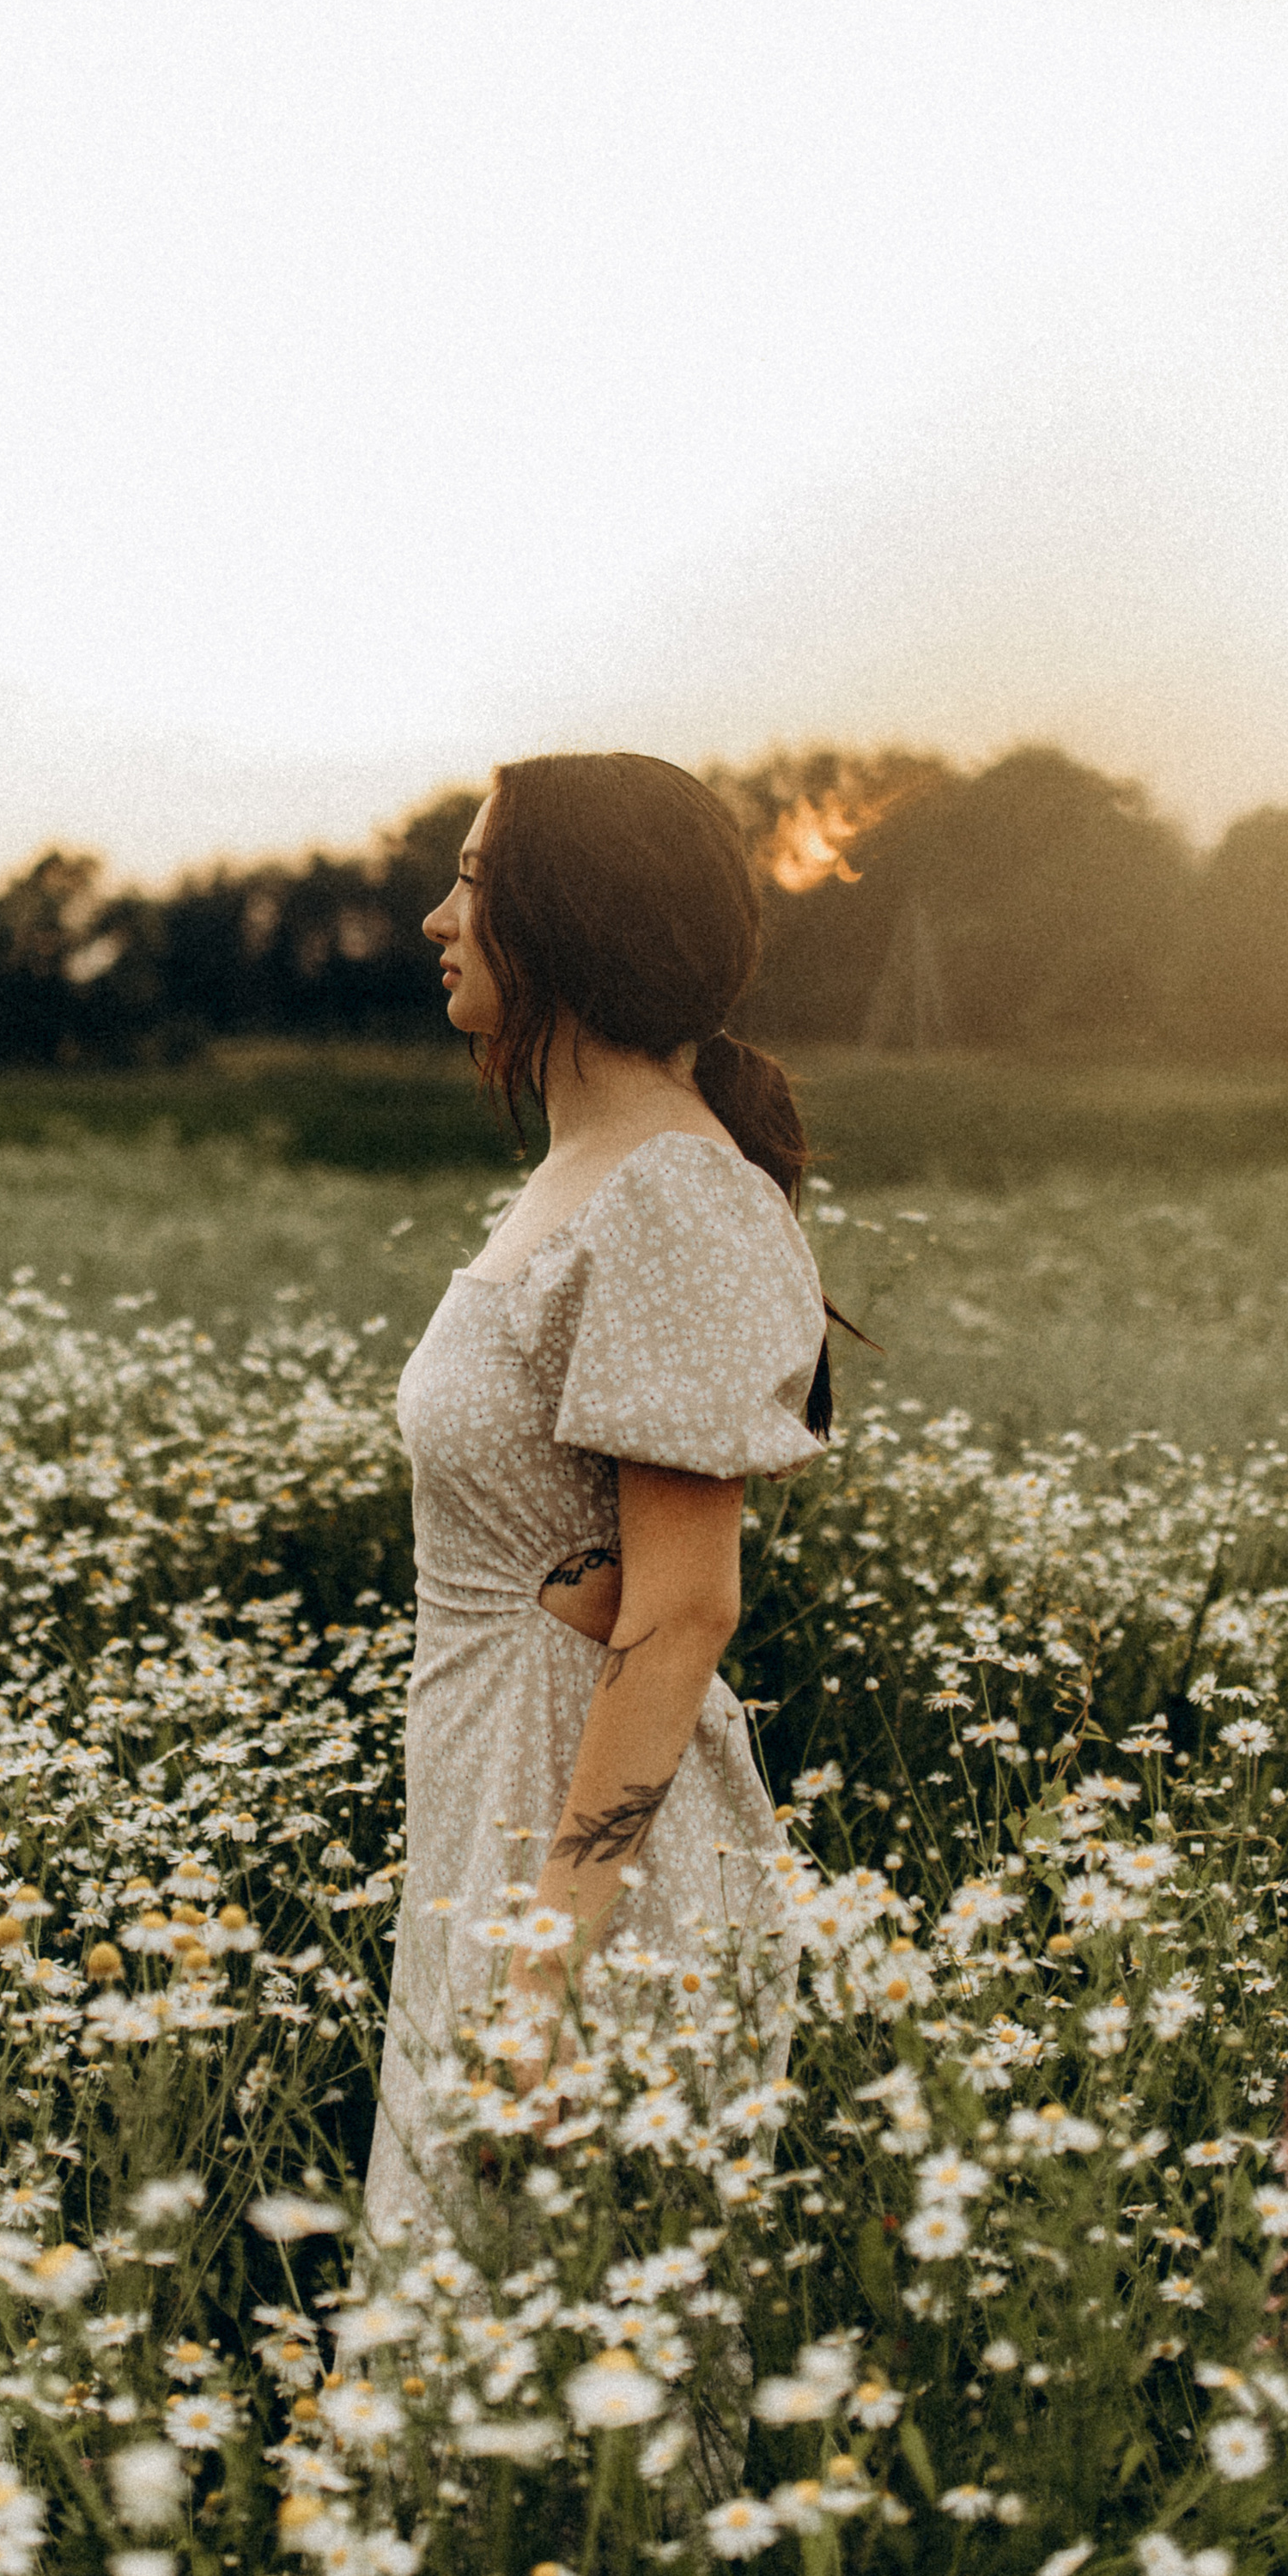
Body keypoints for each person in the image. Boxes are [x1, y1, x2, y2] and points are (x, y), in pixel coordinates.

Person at [361, 750, 846, 2262]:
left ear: (565, 915)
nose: (438, 916)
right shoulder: (583, 1168)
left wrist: (543, 1970)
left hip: (587, 1895)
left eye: (474, 881)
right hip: (489, 1812)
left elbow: (689, 1602)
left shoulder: (675, 1191)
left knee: (566, 2431)